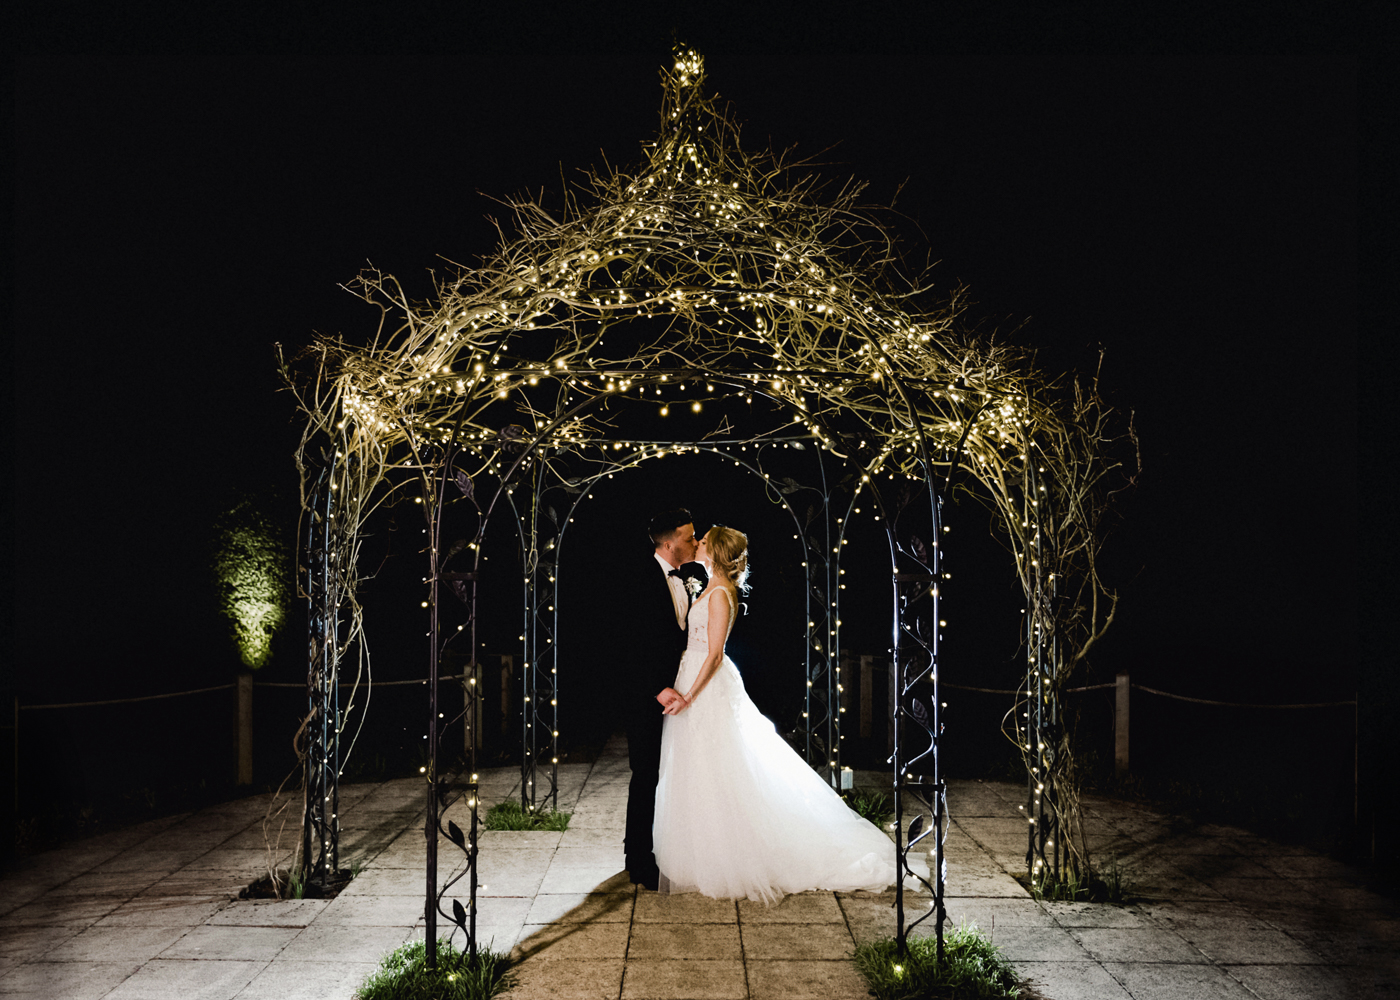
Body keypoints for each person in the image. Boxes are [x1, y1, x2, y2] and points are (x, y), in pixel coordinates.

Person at [653, 525, 907, 903]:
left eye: (703, 540)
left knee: (722, 765)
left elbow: (716, 653)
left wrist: (689, 695)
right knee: (697, 765)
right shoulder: (706, 586)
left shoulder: (721, 594)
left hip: (705, 685)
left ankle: (735, 853)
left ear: (717, 551)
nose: (698, 543)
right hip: (690, 675)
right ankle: (701, 850)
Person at [622, 509, 707, 891]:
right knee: (645, 774)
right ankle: (637, 859)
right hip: (647, 695)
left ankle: (669, 849)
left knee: (673, 774)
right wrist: (656, 687)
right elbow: (628, 642)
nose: (694, 542)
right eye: (690, 537)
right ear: (670, 542)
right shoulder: (637, 577)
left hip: (681, 693)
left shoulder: (688, 579)